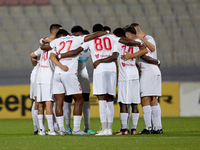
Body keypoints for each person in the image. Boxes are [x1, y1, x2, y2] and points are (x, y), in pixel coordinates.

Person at [40, 28, 109, 135]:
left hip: (57, 74)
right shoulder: (76, 39)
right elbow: (92, 36)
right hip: (69, 73)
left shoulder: (58, 41)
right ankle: (76, 129)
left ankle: (62, 130)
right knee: (79, 99)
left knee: (59, 101)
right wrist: (106, 33)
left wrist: (43, 40)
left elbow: (46, 49)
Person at [93, 27, 148, 135]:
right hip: (135, 73)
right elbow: (145, 49)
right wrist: (133, 56)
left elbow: (115, 56)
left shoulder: (117, 43)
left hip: (124, 75)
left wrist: (99, 60)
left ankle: (124, 129)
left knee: (123, 102)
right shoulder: (135, 44)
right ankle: (134, 129)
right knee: (134, 103)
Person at [122, 24, 162, 134]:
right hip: (153, 71)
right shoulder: (145, 39)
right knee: (154, 99)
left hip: (148, 71)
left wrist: (131, 56)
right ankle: (158, 127)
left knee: (145, 99)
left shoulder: (144, 40)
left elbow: (147, 53)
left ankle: (148, 128)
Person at [30, 24, 67, 135]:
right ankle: (51, 129)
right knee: (49, 103)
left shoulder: (43, 46)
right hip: (48, 77)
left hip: (39, 76)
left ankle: (41, 129)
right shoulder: (55, 46)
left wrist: (35, 61)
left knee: (40, 103)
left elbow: (32, 54)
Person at [63, 26, 96, 135]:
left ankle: (87, 127)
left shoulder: (89, 44)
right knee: (67, 99)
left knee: (86, 99)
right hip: (70, 74)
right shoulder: (70, 44)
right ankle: (68, 127)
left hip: (82, 74)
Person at [30, 56, 39, 135]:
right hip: (38, 76)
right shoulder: (42, 48)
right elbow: (33, 58)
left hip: (40, 75)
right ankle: (37, 128)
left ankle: (38, 128)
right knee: (37, 101)